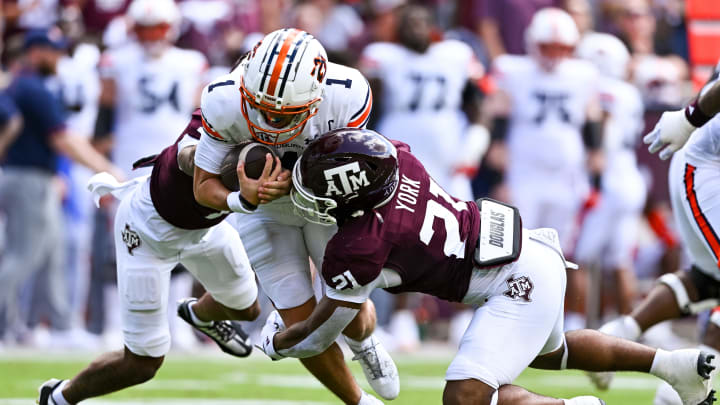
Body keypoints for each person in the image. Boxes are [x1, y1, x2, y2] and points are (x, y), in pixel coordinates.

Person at [259, 127, 717, 405]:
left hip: (513, 281)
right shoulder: (400, 159)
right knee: (550, 353)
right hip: (531, 253)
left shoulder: (361, 244)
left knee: (466, 396)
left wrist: (277, 343)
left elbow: (321, 332)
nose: (310, 201)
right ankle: (673, 365)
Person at [190, 28, 397, 405]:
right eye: (261, 107)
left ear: (317, 97)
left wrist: (299, 184)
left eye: (282, 113)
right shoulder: (224, 98)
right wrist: (242, 199)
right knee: (300, 323)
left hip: (323, 205)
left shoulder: (346, 93)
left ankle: (366, 345)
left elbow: (351, 170)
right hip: (264, 213)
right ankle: (359, 401)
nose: (269, 119)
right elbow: (203, 186)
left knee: (353, 315)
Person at [36, 110, 260, 405]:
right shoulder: (224, 105)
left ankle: (199, 315)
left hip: (204, 230)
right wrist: (233, 186)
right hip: (148, 233)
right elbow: (188, 158)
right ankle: (59, 397)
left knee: (248, 310)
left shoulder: (286, 123)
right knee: (143, 363)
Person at [586, 61, 720, 403]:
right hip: (707, 164)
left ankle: (618, 335)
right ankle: (690, 380)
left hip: (704, 155)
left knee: (708, 281)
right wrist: (689, 117)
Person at [0, 27, 121, 344]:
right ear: (36, 52)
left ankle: (61, 326)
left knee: (52, 253)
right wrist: (107, 169)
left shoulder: (22, 87)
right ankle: (10, 326)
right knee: (21, 255)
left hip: (32, 176)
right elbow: (64, 139)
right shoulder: (32, 89)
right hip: (28, 178)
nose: (58, 58)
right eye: (52, 51)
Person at [486, 7, 603, 330]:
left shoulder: (583, 74)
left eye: (561, 47)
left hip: (567, 174)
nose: (554, 55)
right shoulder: (513, 70)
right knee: (517, 248)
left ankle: (567, 319)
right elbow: (499, 116)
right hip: (525, 172)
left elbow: (592, 120)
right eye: (548, 47)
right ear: (532, 43)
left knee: (564, 251)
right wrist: (499, 172)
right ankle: (509, 313)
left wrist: (596, 173)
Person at [573, 33, 646, 318]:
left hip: (607, 181)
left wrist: (594, 176)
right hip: (629, 178)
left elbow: (603, 136)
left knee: (579, 257)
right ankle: (633, 327)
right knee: (620, 261)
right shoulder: (629, 92)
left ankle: (573, 323)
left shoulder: (598, 90)